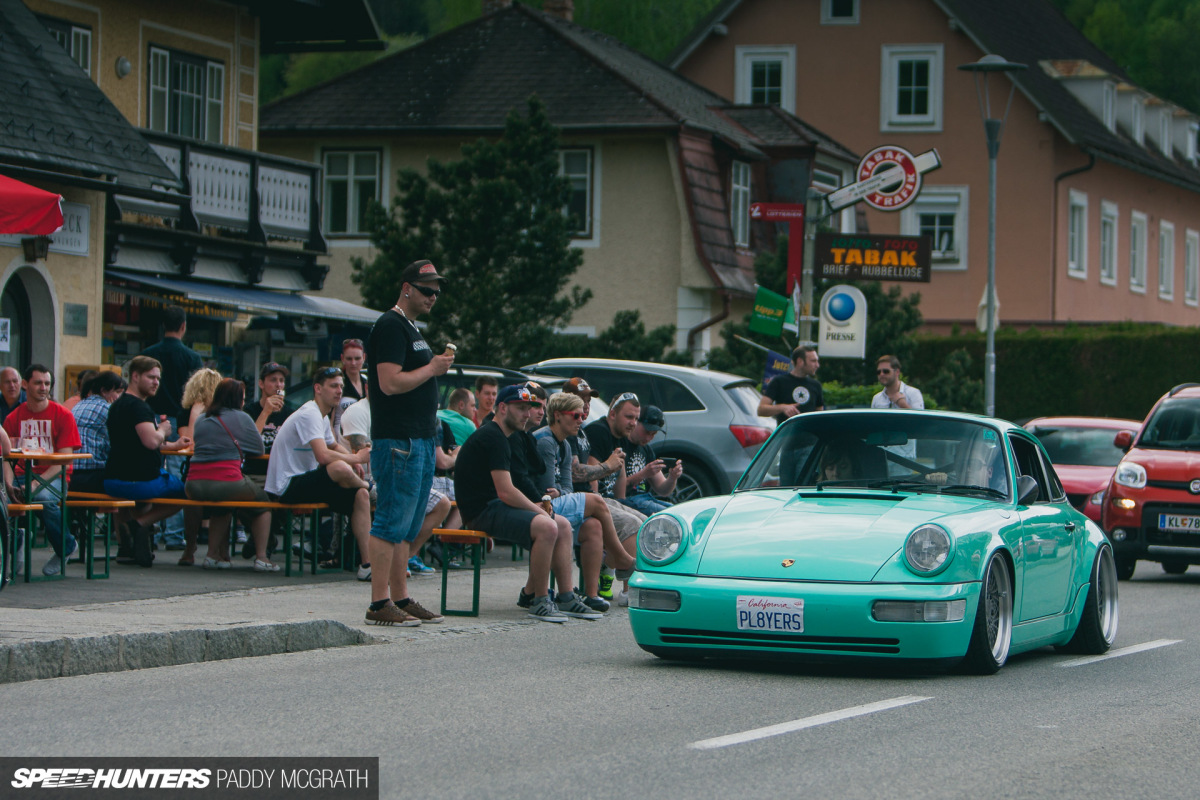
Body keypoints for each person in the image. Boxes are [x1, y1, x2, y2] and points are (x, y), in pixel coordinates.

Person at [455, 383, 601, 622]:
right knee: (548, 525)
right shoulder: (493, 436)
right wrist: (540, 510)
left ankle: (565, 596)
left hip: (496, 505)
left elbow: (530, 471)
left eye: (530, 407)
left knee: (562, 524)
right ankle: (540, 599)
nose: (527, 413)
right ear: (502, 408)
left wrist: (543, 509)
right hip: (481, 510)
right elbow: (506, 492)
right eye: (521, 408)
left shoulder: (509, 436)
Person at [363, 259, 453, 627]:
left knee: (409, 522)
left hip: (419, 437)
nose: (434, 296)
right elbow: (388, 383)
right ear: (407, 288)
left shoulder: (411, 327)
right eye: (427, 289)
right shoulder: (389, 326)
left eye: (437, 291)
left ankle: (399, 596)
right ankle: (378, 602)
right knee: (390, 521)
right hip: (398, 439)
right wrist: (432, 368)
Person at [265, 367, 373, 578]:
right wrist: (356, 459)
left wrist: (354, 463)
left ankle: (367, 566)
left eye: (341, 386)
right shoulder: (310, 413)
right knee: (340, 468)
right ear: (318, 388)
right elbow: (323, 456)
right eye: (333, 386)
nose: (339, 391)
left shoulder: (322, 416)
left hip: (308, 482)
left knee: (361, 496)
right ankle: (369, 485)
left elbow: (333, 445)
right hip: (286, 485)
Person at [534, 391, 635, 612]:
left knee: (593, 526)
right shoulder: (545, 442)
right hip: (539, 507)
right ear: (558, 415)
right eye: (576, 415)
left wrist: (559, 491)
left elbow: (565, 487)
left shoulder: (566, 444)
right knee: (597, 502)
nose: (581, 420)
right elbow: (545, 489)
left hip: (557, 502)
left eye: (582, 415)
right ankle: (621, 558)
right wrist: (559, 491)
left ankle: (590, 594)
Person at [339, 397, 450, 578]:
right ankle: (377, 567)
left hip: (401, 473)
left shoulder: (401, 408)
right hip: (369, 479)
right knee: (397, 507)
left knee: (442, 503)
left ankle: (404, 558)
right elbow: (361, 450)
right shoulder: (358, 411)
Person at [103, 356, 194, 568]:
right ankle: (138, 525)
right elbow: (152, 441)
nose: (156, 382)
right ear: (135, 376)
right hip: (140, 480)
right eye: (151, 377)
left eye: (158, 378)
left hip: (113, 478)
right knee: (184, 492)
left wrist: (174, 445)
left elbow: (138, 443)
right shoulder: (139, 408)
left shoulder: (117, 406)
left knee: (133, 500)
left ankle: (127, 548)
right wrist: (162, 430)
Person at [185, 378, 278, 572]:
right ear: (238, 399)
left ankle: (212, 556)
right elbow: (258, 448)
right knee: (264, 504)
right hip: (226, 481)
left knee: (224, 506)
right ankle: (262, 557)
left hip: (193, 484)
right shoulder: (241, 417)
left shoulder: (202, 418)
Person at [3, 364, 83, 576]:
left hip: (54, 476)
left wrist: (36, 483)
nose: (43, 387)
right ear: (25, 384)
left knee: (44, 497)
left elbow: (64, 460)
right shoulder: (13, 418)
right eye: (38, 382)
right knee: (4, 502)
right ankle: (16, 541)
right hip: (21, 475)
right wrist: (8, 484)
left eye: (47, 383)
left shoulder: (63, 415)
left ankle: (65, 545)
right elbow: (7, 458)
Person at [140, 305, 202, 551]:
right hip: (182, 420)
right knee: (177, 473)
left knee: (152, 470)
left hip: (150, 418)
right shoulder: (191, 357)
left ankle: (151, 532)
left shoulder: (148, 354)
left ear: (163, 326)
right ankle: (175, 535)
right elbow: (197, 392)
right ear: (183, 326)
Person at [69, 371, 127, 495]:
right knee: (134, 483)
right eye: (117, 392)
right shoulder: (108, 408)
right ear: (104, 391)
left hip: (70, 475)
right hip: (93, 476)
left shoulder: (79, 405)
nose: (120, 397)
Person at [758, 345, 823, 422]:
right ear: (800, 361)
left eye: (817, 361)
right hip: (787, 433)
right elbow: (761, 410)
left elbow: (820, 415)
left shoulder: (816, 385)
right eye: (813, 361)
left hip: (809, 433)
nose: (817, 365)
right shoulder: (779, 381)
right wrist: (783, 407)